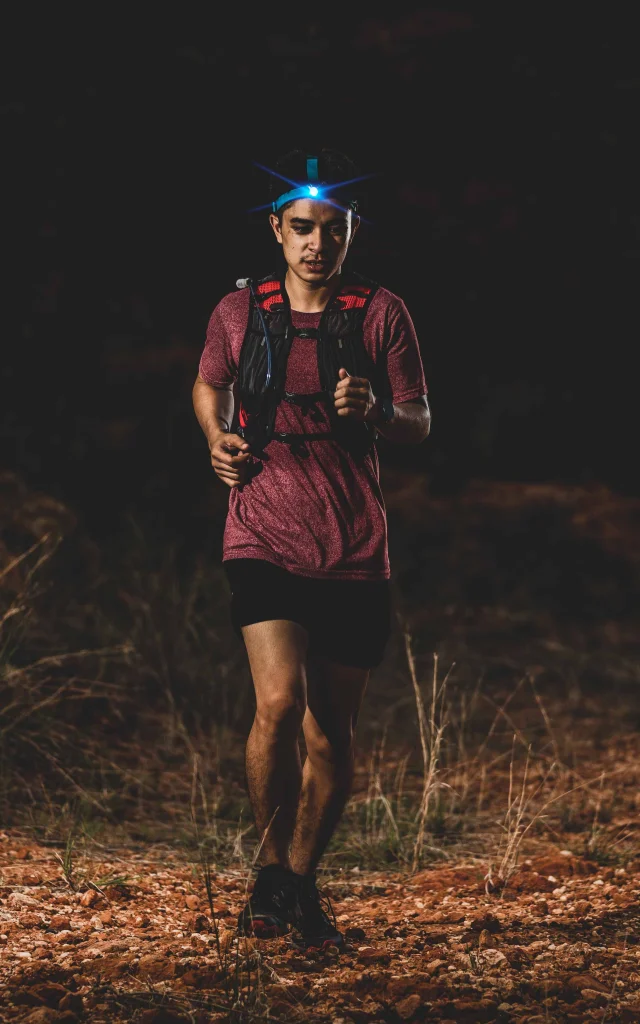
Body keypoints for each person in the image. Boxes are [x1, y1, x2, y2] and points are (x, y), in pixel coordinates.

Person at [192, 148, 430, 952]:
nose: (316, 244)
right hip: (260, 531)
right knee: (278, 703)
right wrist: (217, 439)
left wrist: (378, 411)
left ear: (352, 232)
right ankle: (267, 875)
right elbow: (209, 383)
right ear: (276, 230)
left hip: (355, 545)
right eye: (301, 228)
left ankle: (298, 883)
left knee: (331, 731)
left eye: (332, 229)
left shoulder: (381, 313)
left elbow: (421, 419)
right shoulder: (239, 311)